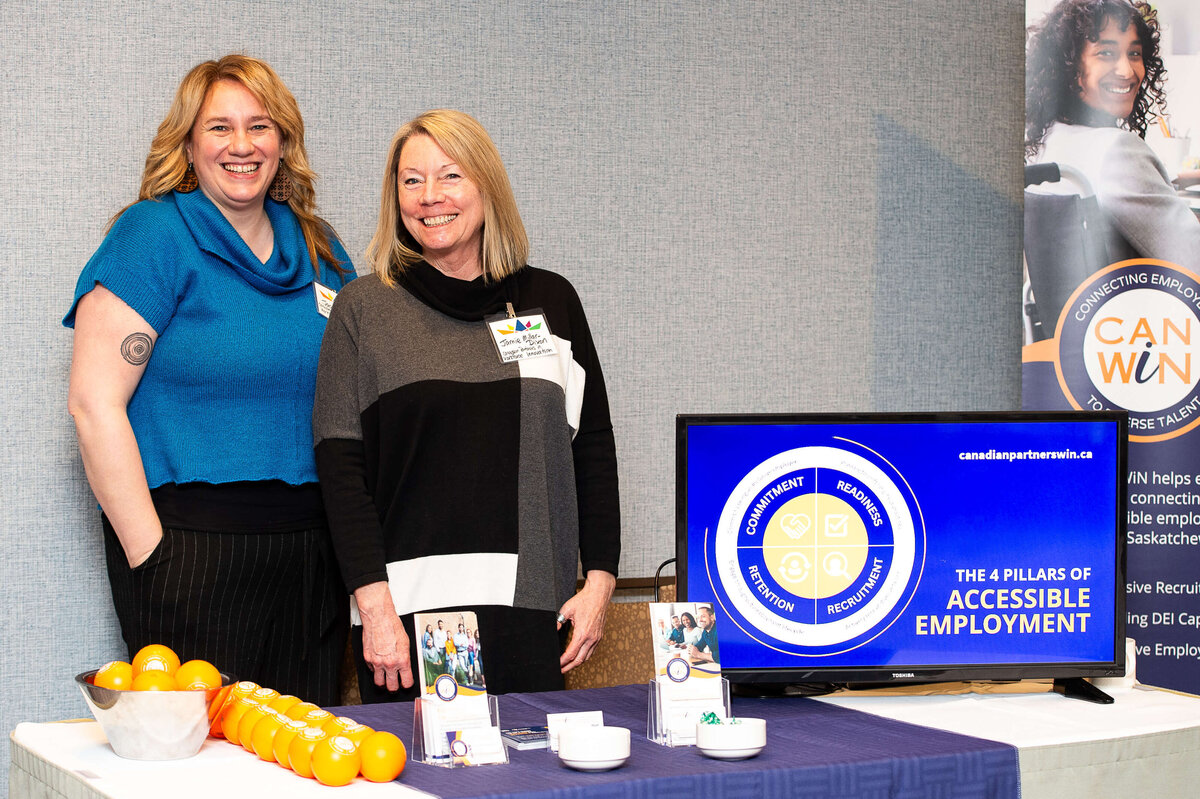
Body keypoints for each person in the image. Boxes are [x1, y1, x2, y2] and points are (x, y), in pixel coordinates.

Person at [65, 55, 353, 705]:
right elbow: (93, 403)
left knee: (303, 756)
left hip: (311, 558)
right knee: (200, 761)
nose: (243, 145)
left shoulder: (320, 249)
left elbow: (354, 400)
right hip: (190, 551)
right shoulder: (154, 235)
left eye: (260, 125)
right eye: (219, 127)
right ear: (188, 144)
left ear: (283, 141)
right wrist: (152, 555)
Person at [314, 108, 620, 701]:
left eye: (450, 176)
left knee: (533, 787)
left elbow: (593, 450)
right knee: (425, 788)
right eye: (411, 181)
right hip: (408, 622)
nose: (430, 197)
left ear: (486, 186)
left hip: (536, 610)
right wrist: (375, 610)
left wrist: (601, 582)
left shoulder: (551, 299)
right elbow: (341, 473)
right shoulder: (363, 310)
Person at [1025, 0, 1200, 267]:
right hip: (1142, 306)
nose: (1127, 71)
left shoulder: (1050, 139)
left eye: (1134, 54)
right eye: (1106, 53)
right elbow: (1194, 259)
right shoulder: (1118, 152)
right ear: (1069, 66)